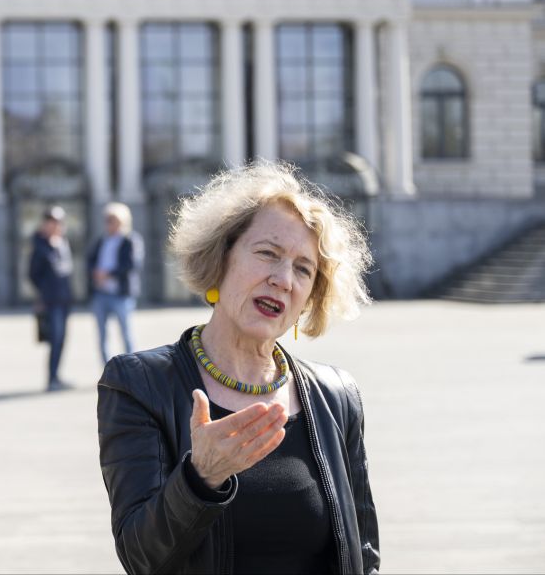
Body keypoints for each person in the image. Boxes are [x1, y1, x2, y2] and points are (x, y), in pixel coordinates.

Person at [97, 162, 379, 574]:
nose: (283, 279)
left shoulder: (336, 395)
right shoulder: (138, 385)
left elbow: (364, 555)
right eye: (267, 253)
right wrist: (199, 478)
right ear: (221, 256)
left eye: (304, 269)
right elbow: (141, 557)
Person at [87, 202, 143, 365]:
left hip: (120, 294)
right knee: (102, 335)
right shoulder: (101, 240)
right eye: (107, 219)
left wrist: (108, 274)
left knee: (126, 333)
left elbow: (132, 264)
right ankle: (107, 371)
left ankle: (131, 369)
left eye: (113, 219)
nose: (109, 223)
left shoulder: (130, 240)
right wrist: (95, 272)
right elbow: (90, 260)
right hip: (100, 293)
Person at [28, 206, 73, 392]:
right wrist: (43, 292)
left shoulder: (62, 242)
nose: (56, 226)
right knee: (54, 339)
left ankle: (57, 376)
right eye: (52, 222)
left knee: (62, 339)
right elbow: (32, 273)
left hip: (64, 299)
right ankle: (51, 378)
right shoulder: (40, 245)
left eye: (59, 222)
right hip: (51, 300)